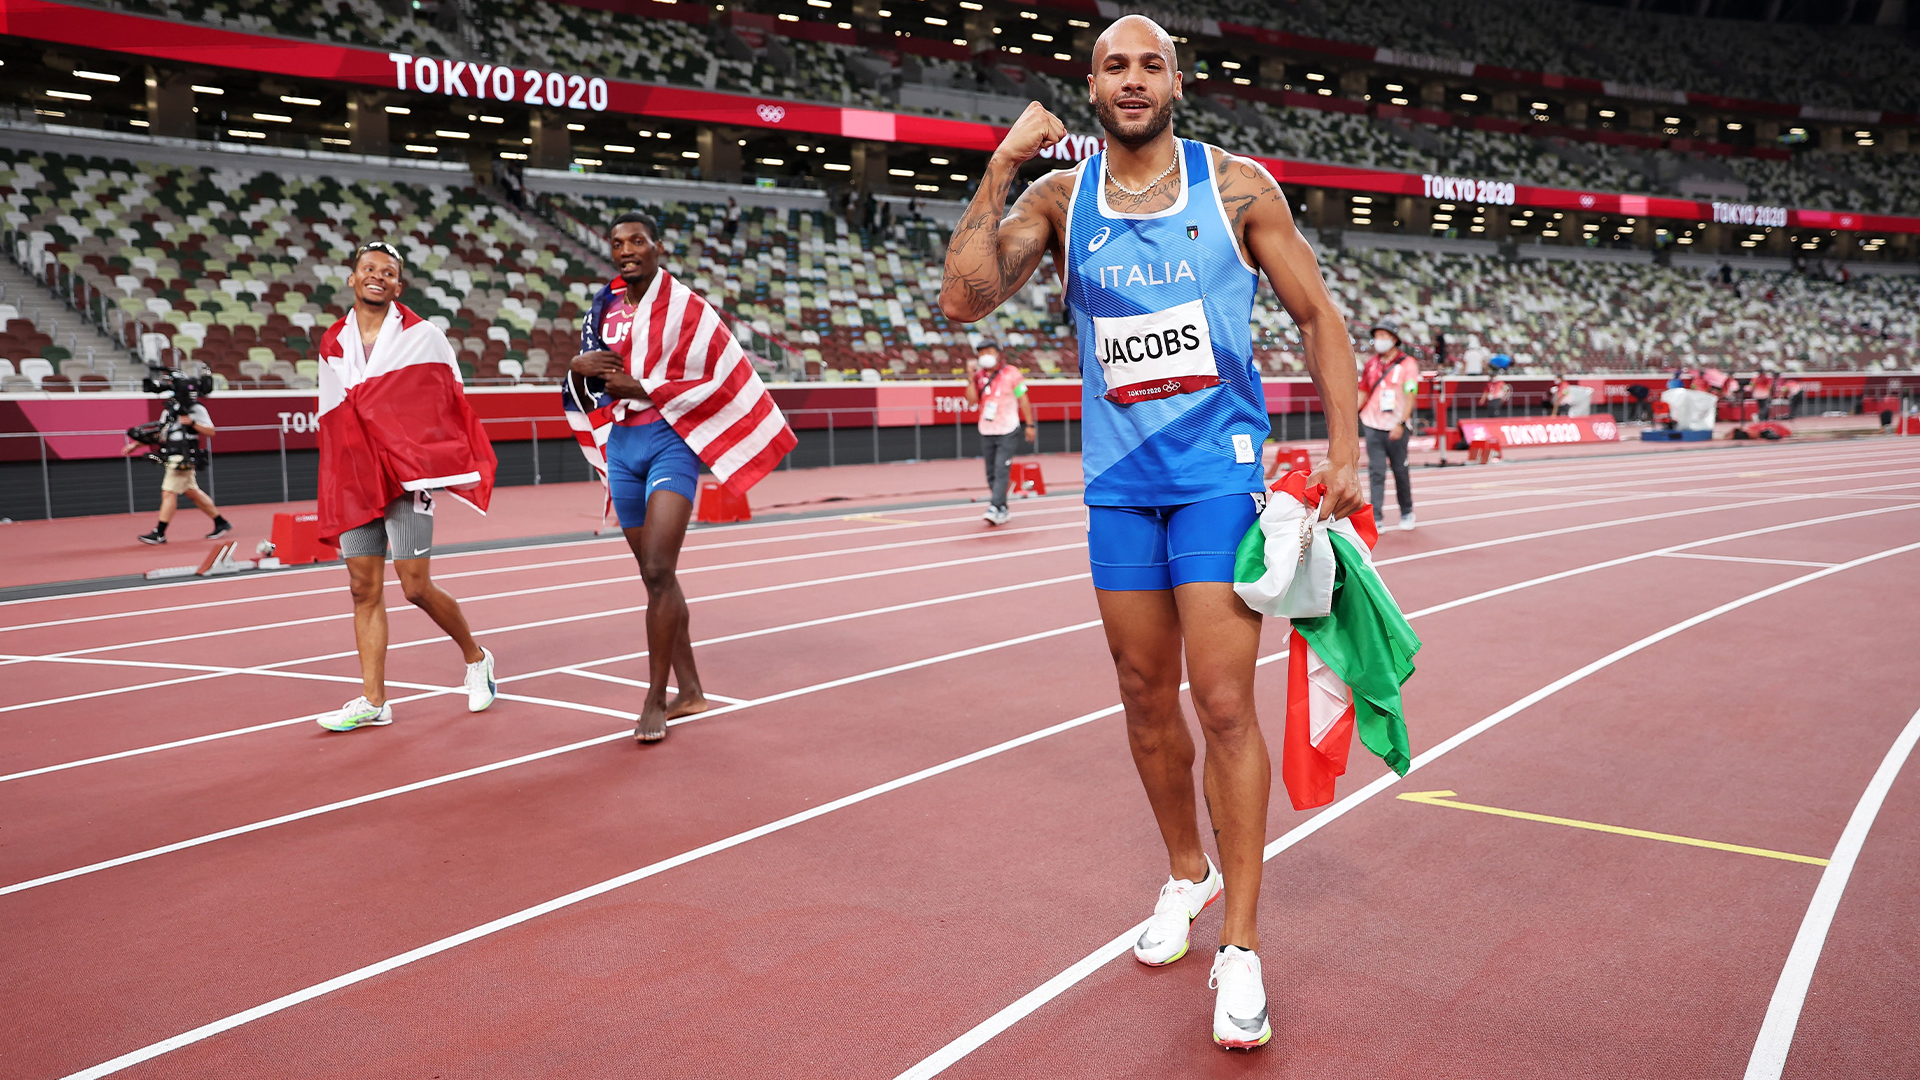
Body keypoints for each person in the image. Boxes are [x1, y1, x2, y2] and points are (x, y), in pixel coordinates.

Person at [939, 14, 1364, 1050]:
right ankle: (1188, 870)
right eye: (1115, 66)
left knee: (1222, 701)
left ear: (1179, 81)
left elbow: (1317, 314)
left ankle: (1244, 947)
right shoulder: (1057, 198)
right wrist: (1000, 163)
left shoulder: (1236, 187)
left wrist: (1346, 446)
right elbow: (962, 300)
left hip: (1217, 479)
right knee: (1141, 695)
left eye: (1152, 66)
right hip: (1121, 486)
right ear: (1090, 85)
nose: (1134, 81)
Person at [567, 211, 797, 742]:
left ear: (657, 247)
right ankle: (690, 690)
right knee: (657, 579)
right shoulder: (604, 307)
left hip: (670, 440)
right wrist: (579, 367)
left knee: (656, 566)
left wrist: (641, 386)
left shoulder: (687, 308)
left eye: (637, 241)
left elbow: (713, 372)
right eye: (617, 242)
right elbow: (595, 368)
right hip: (623, 445)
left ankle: (654, 698)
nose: (626, 249)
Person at [313, 241, 500, 732]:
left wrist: (415, 449)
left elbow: (444, 402)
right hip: (354, 476)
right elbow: (332, 415)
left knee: (415, 586)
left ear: (399, 285)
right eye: (368, 269)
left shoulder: (425, 337)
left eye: (388, 272)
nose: (377, 276)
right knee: (362, 588)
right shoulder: (332, 342)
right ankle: (374, 701)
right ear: (352, 279)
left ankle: (477, 658)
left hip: (405, 474)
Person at [125, 399, 232, 545]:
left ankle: (160, 533)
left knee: (168, 492)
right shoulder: (167, 411)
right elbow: (161, 434)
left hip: (183, 456)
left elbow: (211, 431)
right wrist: (136, 445)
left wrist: (192, 423)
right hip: (172, 454)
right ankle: (221, 522)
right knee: (192, 492)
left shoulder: (195, 408)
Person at [962, 344, 1037, 525]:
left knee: (1001, 468)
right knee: (990, 473)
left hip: (1008, 428)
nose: (985, 356)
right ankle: (1002, 508)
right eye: (981, 354)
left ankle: (995, 507)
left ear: (998, 354)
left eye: (989, 352)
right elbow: (971, 400)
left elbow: (1023, 398)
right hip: (987, 429)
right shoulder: (979, 376)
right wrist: (971, 378)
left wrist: (1030, 424)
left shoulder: (1012, 373)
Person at [1360, 318, 1418, 532]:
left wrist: (1401, 422)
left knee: (1400, 471)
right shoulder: (1371, 364)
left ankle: (1407, 511)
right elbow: (1364, 391)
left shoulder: (1408, 364)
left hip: (1397, 427)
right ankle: (1376, 517)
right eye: (1377, 336)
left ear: (1394, 339)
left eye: (1384, 336)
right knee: (1376, 472)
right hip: (1372, 424)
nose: (1379, 340)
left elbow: (1411, 393)